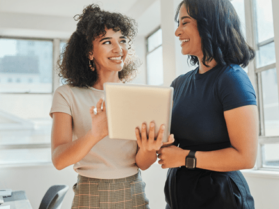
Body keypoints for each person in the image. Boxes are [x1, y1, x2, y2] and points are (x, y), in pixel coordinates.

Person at [50, 4, 172, 209]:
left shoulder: (139, 96)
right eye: (107, 42)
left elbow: (142, 163)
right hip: (89, 194)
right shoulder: (67, 94)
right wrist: (95, 134)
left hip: (133, 191)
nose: (118, 49)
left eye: (122, 40)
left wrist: (149, 147)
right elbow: (59, 160)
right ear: (89, 52)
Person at [158, 0, 258, 208]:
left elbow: (246, 157)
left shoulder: (231, 79)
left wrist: (185, 158)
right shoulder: (178, 84)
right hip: (179, 198)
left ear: (209, 23)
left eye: (184, 22)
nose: (177, 32)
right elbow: (170, 144)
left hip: (221, 199)